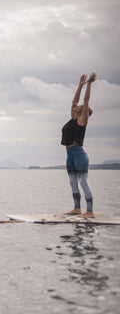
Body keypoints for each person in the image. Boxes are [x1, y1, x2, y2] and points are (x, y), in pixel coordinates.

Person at [62, 72, 96, 218]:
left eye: (81, 106)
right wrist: (79, 86)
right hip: (69, 155)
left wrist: (88, 84)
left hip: (79, 155)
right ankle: (77, 208)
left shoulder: (82, 121)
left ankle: (90, 211)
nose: (78, 105)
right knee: (73, 182)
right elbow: (74, 101)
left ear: (83, 112)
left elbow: (86, 99)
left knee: (83, 182)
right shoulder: (72, 118)